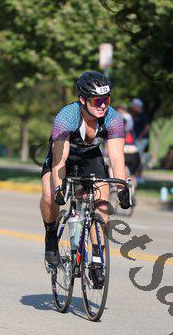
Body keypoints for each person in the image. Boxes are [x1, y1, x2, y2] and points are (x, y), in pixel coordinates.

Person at [40, 71, 131, 285]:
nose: (103, 105)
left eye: (106, 99)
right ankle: (51, 235)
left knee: (102, 204)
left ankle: (97, 259)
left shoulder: (113, 119)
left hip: (90, 157)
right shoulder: (66, 117)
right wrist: (59, 188)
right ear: (82, 99)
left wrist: (122, 188)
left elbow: (117, 158)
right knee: (49, 196)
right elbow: (59, 161)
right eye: (97, 101)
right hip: (64, 157)